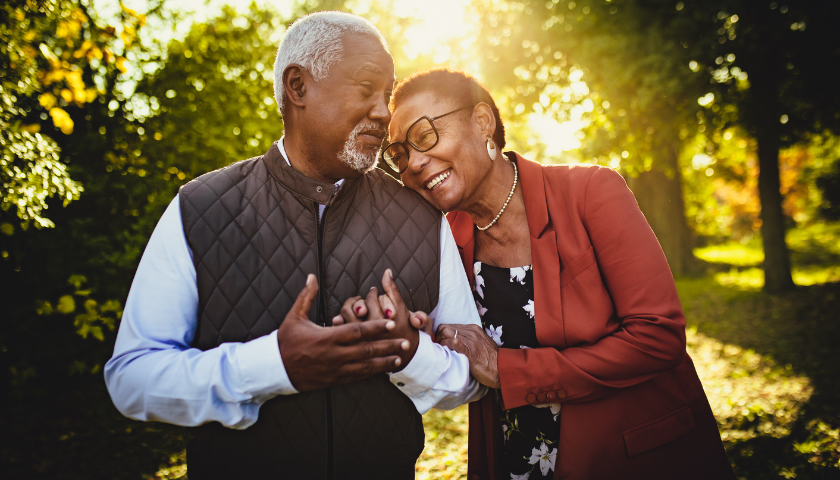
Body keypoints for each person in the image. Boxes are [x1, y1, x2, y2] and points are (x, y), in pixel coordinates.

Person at [104, 15, 486, 480]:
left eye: (385, 95)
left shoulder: (424, 219)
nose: (385, 113)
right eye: (366, 88)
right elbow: (131, 380)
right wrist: (274, 366)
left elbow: (473, 377)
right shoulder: (199, 208)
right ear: (298, 86)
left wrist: (410, 355)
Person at [381, 67, 736, 479]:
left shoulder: (592, 193)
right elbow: (452, 354)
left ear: (482, 122)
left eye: (425, 136)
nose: (415, 164)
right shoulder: (444, 242)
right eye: (401, 154)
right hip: (517, 459)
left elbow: (658, 336)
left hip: (631, 457)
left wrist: (506, 369)